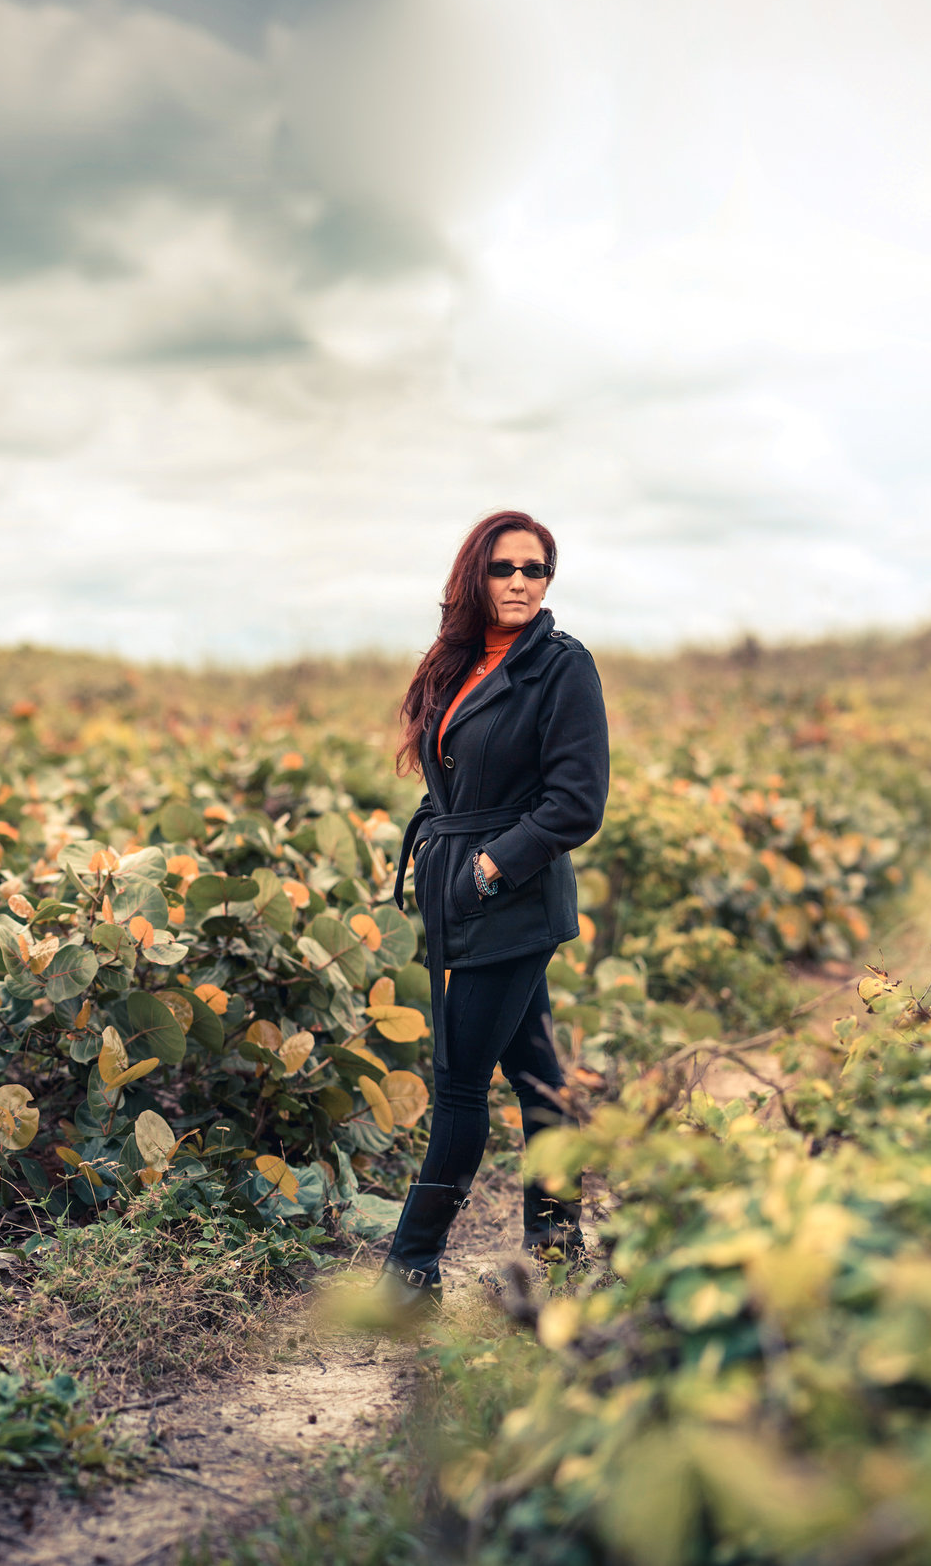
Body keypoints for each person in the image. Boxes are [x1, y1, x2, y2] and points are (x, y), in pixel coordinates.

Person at [380, 510, 610, 1312]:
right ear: (475, 577)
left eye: (536, 569)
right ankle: (561, 1251)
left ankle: (409, 1271)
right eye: (505, 568)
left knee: (458, 1086)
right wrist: (451, 865)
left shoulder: (561, 665)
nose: (520, 582)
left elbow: (576, 803)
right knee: (539, 1079)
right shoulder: (458, 662)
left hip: (509, 897)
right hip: (462, 892)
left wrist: (486, 867)